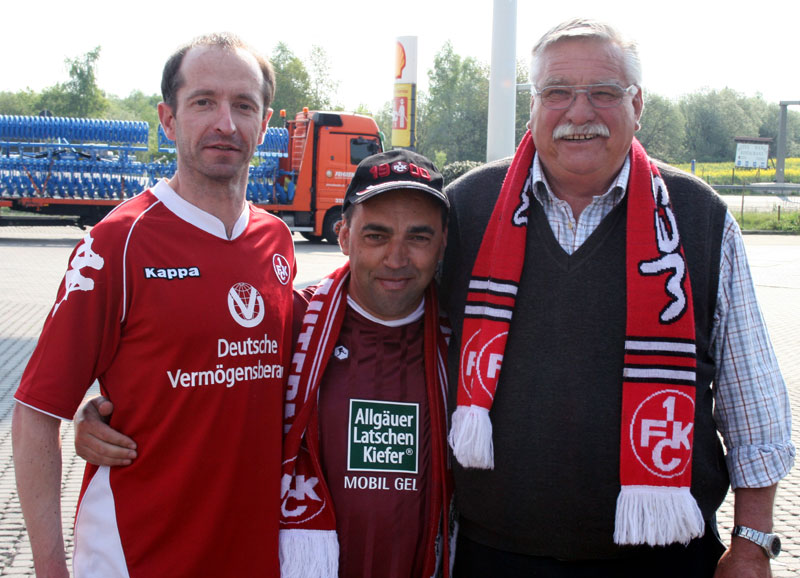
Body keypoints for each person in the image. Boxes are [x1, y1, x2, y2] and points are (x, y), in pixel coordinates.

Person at [440, 18, 794, 578]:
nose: (579, 113)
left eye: (602, 93)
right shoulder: (465, 208)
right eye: (556, 92)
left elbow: (751, 397)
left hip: (664, 556)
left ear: (638, 106)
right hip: (495, 554)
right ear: (533, 105)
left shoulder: (698, 217)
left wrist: (752, 543)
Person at [74, 149, 455, 578]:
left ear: (442, 243)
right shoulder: (287, 323)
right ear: (344, 236)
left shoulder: (467, 344)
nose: (397, 258)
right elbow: (200, 385)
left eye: (419, 238)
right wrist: (103, 411)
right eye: (376, 236)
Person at [12, 33, 295, 578]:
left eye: (244, 105)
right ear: (168, 119)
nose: (225, 123)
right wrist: (50, 568)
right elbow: (34, 413)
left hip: (252, 556)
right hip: (134, 557)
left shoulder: (276, 240)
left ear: (264, 125)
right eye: (203, 102)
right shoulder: (116, 242)